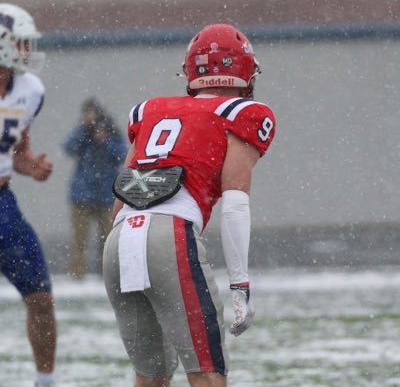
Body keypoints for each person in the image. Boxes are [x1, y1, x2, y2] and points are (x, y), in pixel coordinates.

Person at [103, 23, 276, 387]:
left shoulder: (149, 111)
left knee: (150, 376)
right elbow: (234, 204)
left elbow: (120, 200)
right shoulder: (242, 113)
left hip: (119, 241)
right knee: (207, 373)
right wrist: (240, 284)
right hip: (171, 237)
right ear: (244, 71)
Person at [0, 3, 57, 387]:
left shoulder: (29, 90)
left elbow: (16, 153)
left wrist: (30, 165)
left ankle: (45, 381)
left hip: (3, 204)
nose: (26, 50)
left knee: (40, 297)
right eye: (20, 42)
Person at [64, 97, 127, 278]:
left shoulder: (111, 130)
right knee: (79, 240)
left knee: (108, 240)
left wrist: (105, 139)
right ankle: (77, 276)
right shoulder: (82, 133)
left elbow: (123, 154)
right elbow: (68, 148)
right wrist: (84, 130)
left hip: (107, 195)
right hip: (81, 195)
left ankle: (106, 276)